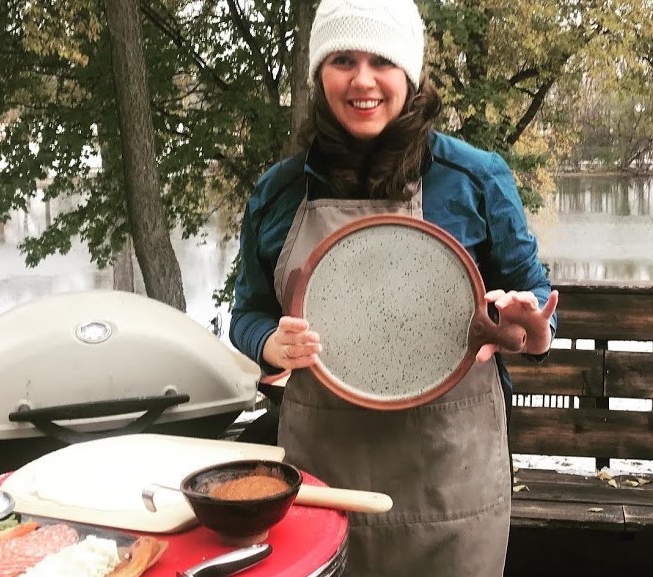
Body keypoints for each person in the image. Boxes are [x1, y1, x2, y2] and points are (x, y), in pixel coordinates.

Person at [228, 0, 559, 575]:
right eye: (343, 60)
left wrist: (526, 328)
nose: (362, 80)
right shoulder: (279, 192)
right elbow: (247, 313)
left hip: (451, 487)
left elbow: (536, 309)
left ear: (409, 71)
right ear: (319, 74)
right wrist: (269, 344)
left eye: (381, 60)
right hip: (322, 481)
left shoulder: (475, 179)